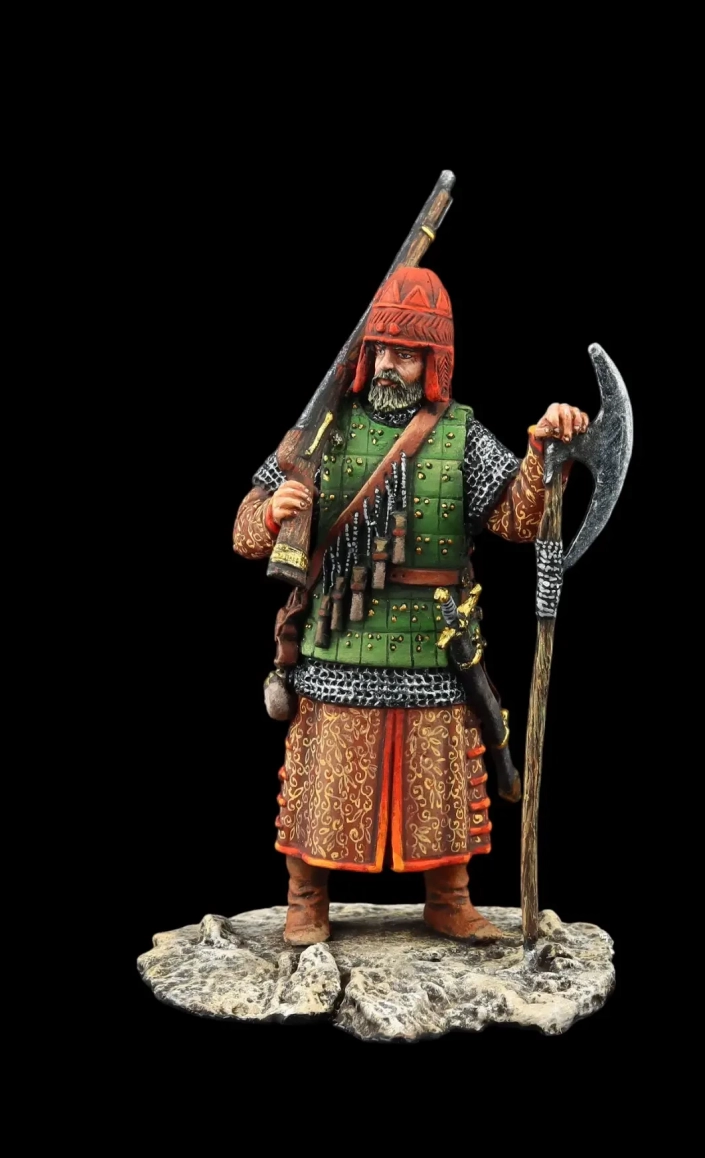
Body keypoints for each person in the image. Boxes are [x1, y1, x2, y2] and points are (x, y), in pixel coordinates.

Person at [232, 267, 587, 946]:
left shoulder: (461, 434)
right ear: (366, 354)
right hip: (340, 637)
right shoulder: (324, 430)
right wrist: (273, 512)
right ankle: (306, 899)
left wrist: (544, 451)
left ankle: (449, 900)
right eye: (382, 350)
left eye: (408, 353)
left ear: (433, 361)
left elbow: (517, 519)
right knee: (325, 777)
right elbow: (244, 531)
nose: (391, 365)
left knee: (441, 778)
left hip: (435, 639)